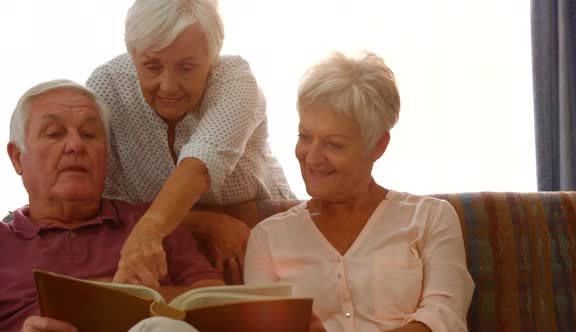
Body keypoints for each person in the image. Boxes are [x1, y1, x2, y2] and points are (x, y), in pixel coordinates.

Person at [244, 52, 475, 332]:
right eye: (305, 137)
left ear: (378, 145)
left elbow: (444, 318)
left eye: (334, 144)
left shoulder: (431, 218)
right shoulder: (267, 238)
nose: (312, 157)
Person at [86, 0, 295, 286]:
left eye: (186, 68)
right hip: (158, 239)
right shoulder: (106, 87)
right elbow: (102, 200)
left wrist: (150, 230)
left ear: (212, 57)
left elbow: (201, 164)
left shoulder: (236, 80)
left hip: (256, 225)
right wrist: (204, 223)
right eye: (152, 66)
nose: (168, 85)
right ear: (132, 55)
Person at [0, 80, 223, 332]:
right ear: (17, 157)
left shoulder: (151, 222)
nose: (76, 146)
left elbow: (215, 303)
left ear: (105, 154)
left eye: (89, 134)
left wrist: (128, 299)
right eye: (54, 133)